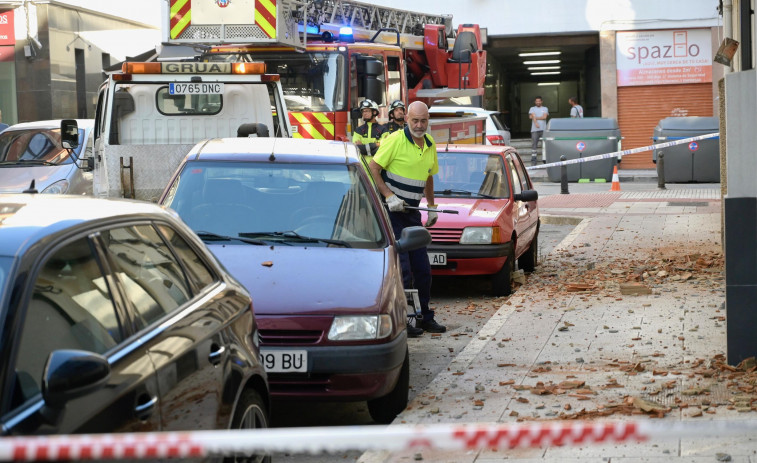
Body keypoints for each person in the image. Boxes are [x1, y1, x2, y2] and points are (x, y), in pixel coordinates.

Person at [369, 101, 446, 337]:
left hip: (412, 213)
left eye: (423, 121)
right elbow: (373, 168)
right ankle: (403, 320)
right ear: (407, 119)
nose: (419, 125)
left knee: (422, 268)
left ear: (428, 120)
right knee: (403, 269)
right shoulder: (394, 140)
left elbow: (429, 176)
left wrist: (431, 206)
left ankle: (423, 317)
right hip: (392, 213)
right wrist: (389, 196)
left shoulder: (430, 144)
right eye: (415, 120)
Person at [528, 96, 549, 166]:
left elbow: (545, 117)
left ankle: (545, 159)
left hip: (543, 129)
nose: (538, 102)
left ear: (541, 101)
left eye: (539, 101)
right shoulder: (532, 108)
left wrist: (535, 117)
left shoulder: (545, 108)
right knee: (534, 145)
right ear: (535, 102)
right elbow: (530, 117)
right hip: (534, 130)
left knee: (545, 145)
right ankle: (534, 160)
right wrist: (536, 120)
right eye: (537, 101)